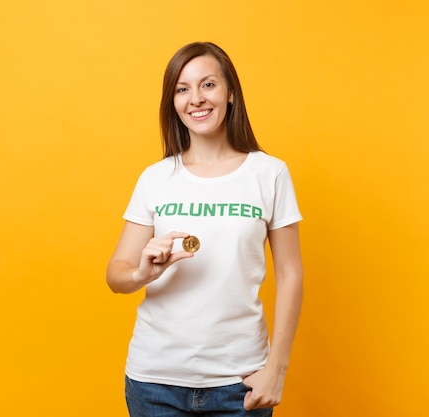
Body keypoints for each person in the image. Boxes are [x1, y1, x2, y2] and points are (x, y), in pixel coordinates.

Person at [107, 41, 303, 417]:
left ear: (230, 93)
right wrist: (141, 273)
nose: (195, 99)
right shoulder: (156, 178)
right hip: (154, 382)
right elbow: (116, 275)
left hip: (240, 383)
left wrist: (276, 369)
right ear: (173, 103)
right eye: (182, 89)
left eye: (208, 85)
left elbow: (291, 273)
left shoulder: (269, 173)